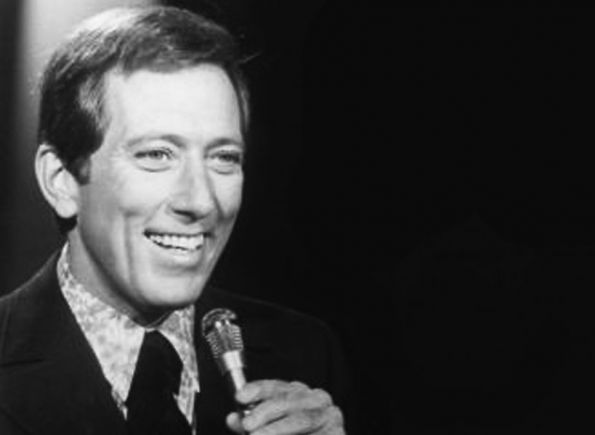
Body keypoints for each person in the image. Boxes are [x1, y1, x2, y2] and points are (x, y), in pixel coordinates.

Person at [0, 6, 348, 435]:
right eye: (156, 155)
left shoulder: (304, 354)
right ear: (62, 181)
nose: (201, 201)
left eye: (224, 157)